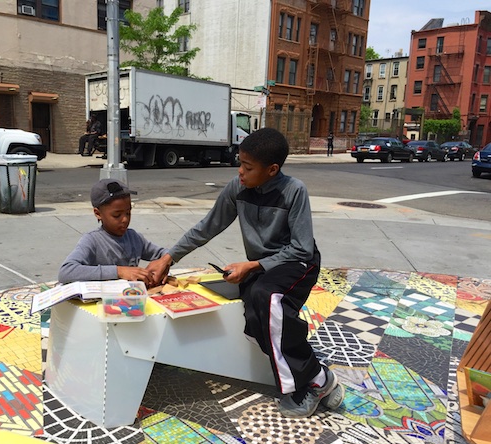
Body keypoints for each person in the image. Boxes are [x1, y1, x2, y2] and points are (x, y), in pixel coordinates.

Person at [147, 128, 345, 418]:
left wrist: (251, 266)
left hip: (298, 265)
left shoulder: (294, 191)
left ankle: (314, 380)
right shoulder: (237, 188)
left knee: (268, 298)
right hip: (265, 266)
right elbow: (207, 227)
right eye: (239, 163)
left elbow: (302, 249)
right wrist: (169, 257)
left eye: (248, 167)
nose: (240, 172)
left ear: (272, 170)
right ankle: (317, 378)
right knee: (254, 314)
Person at [58, 178, 167, 285]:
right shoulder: (92, 241)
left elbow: (165, 254)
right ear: (98, 213)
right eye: (117, 215)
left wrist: (164, 264)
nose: (125, 220)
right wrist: (119, 271)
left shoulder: (134, 237)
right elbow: (66, 272)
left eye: (128, 213)